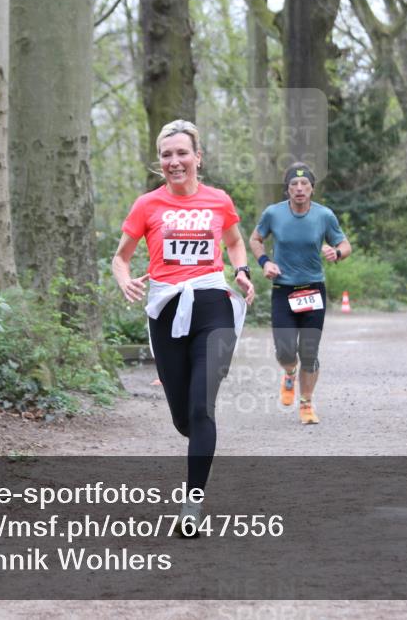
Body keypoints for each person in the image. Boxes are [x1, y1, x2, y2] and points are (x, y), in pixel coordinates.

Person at [112, 119, 255, 528]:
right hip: (167, 309)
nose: (175, 161)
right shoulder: (147, 205)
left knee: (200, 408)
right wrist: (125, 281)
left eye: (182, 153)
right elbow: (120, 257)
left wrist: (241, 270)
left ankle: (192, 505)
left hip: (214, 306)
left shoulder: (218, 201)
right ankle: (201, 446)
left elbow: (234, 241)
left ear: (197, 157)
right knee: (182, 419)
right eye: (166, 155)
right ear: (160, 162)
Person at [249, 163, 351, 425]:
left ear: (312, 189)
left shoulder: (324, 216)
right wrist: (265, 263)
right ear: (287, 190)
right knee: (284, 351)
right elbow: (255, 239)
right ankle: (289, 372)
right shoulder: (273, 214)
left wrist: (336, 252)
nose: (299, 188)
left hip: (313, 289)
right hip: (283, 290)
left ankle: (306, 403)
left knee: (309, 351)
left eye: (305, 184)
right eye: (294, 184)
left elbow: (344, 244)